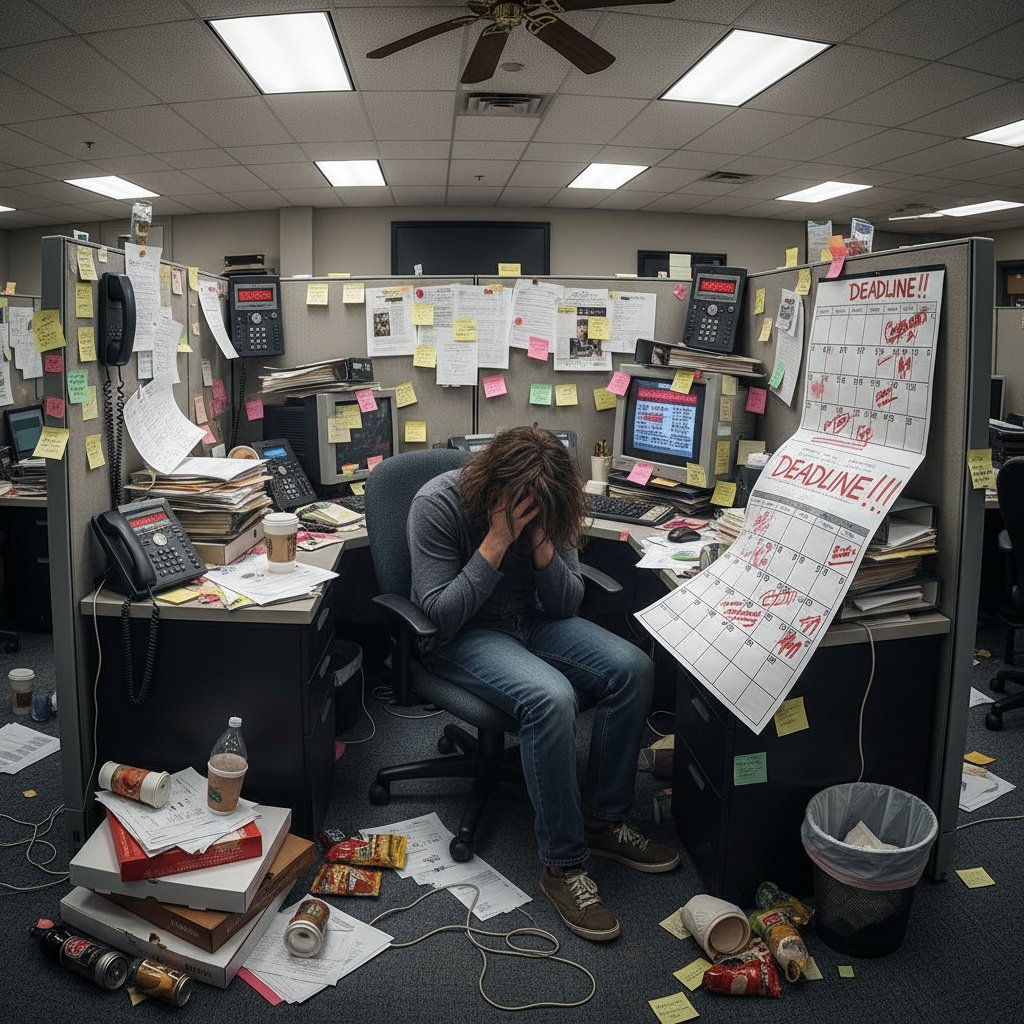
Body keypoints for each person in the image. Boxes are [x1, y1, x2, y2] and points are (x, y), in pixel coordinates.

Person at [408, 427, 679, 941]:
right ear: (490, 485)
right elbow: (439, 617)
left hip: (535, 622)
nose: (532, 510)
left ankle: (605, 817)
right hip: (466, 635)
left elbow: (565, 605)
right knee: (550, 698)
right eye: (522, 504)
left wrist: (543, 549)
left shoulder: (550, 505)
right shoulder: (436, 504)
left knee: (633, 667)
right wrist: (494, 543)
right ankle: (563, 864)